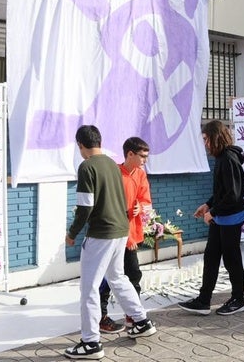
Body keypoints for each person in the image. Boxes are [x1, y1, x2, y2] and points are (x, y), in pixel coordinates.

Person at [64, 126, 156, 360]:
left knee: (89, 288)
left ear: (80, 145)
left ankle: (90, 342)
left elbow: (85, 207)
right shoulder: (111, 165)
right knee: (118, 278)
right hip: (121, 231)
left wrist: (72, 232)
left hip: (101, 234)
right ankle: (142, 321)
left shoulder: (87, 166)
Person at [179, 120, 244, 316]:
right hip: (222, 216)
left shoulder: (228, 159)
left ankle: (238, 299)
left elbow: (233, 195)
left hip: (230, 217)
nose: (205, 144)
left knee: (231, 258)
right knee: (211, 257)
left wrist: (213, 212)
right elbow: (221, 191)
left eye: (206, 139)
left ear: (216, 137)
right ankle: (204, 300)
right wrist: (208, 205)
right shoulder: (221, 158)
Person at [98, 137, 153, 333]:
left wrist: (140, 206)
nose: (145, 160)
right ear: (130, 154)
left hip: (131, 235)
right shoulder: (114, 174)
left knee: (133, 276)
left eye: (146, 156)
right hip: (115, 234)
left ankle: (132, 315)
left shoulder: (140, 174)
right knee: (108, 279)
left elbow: (146, 202)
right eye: (142, 156)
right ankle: (101, 316)